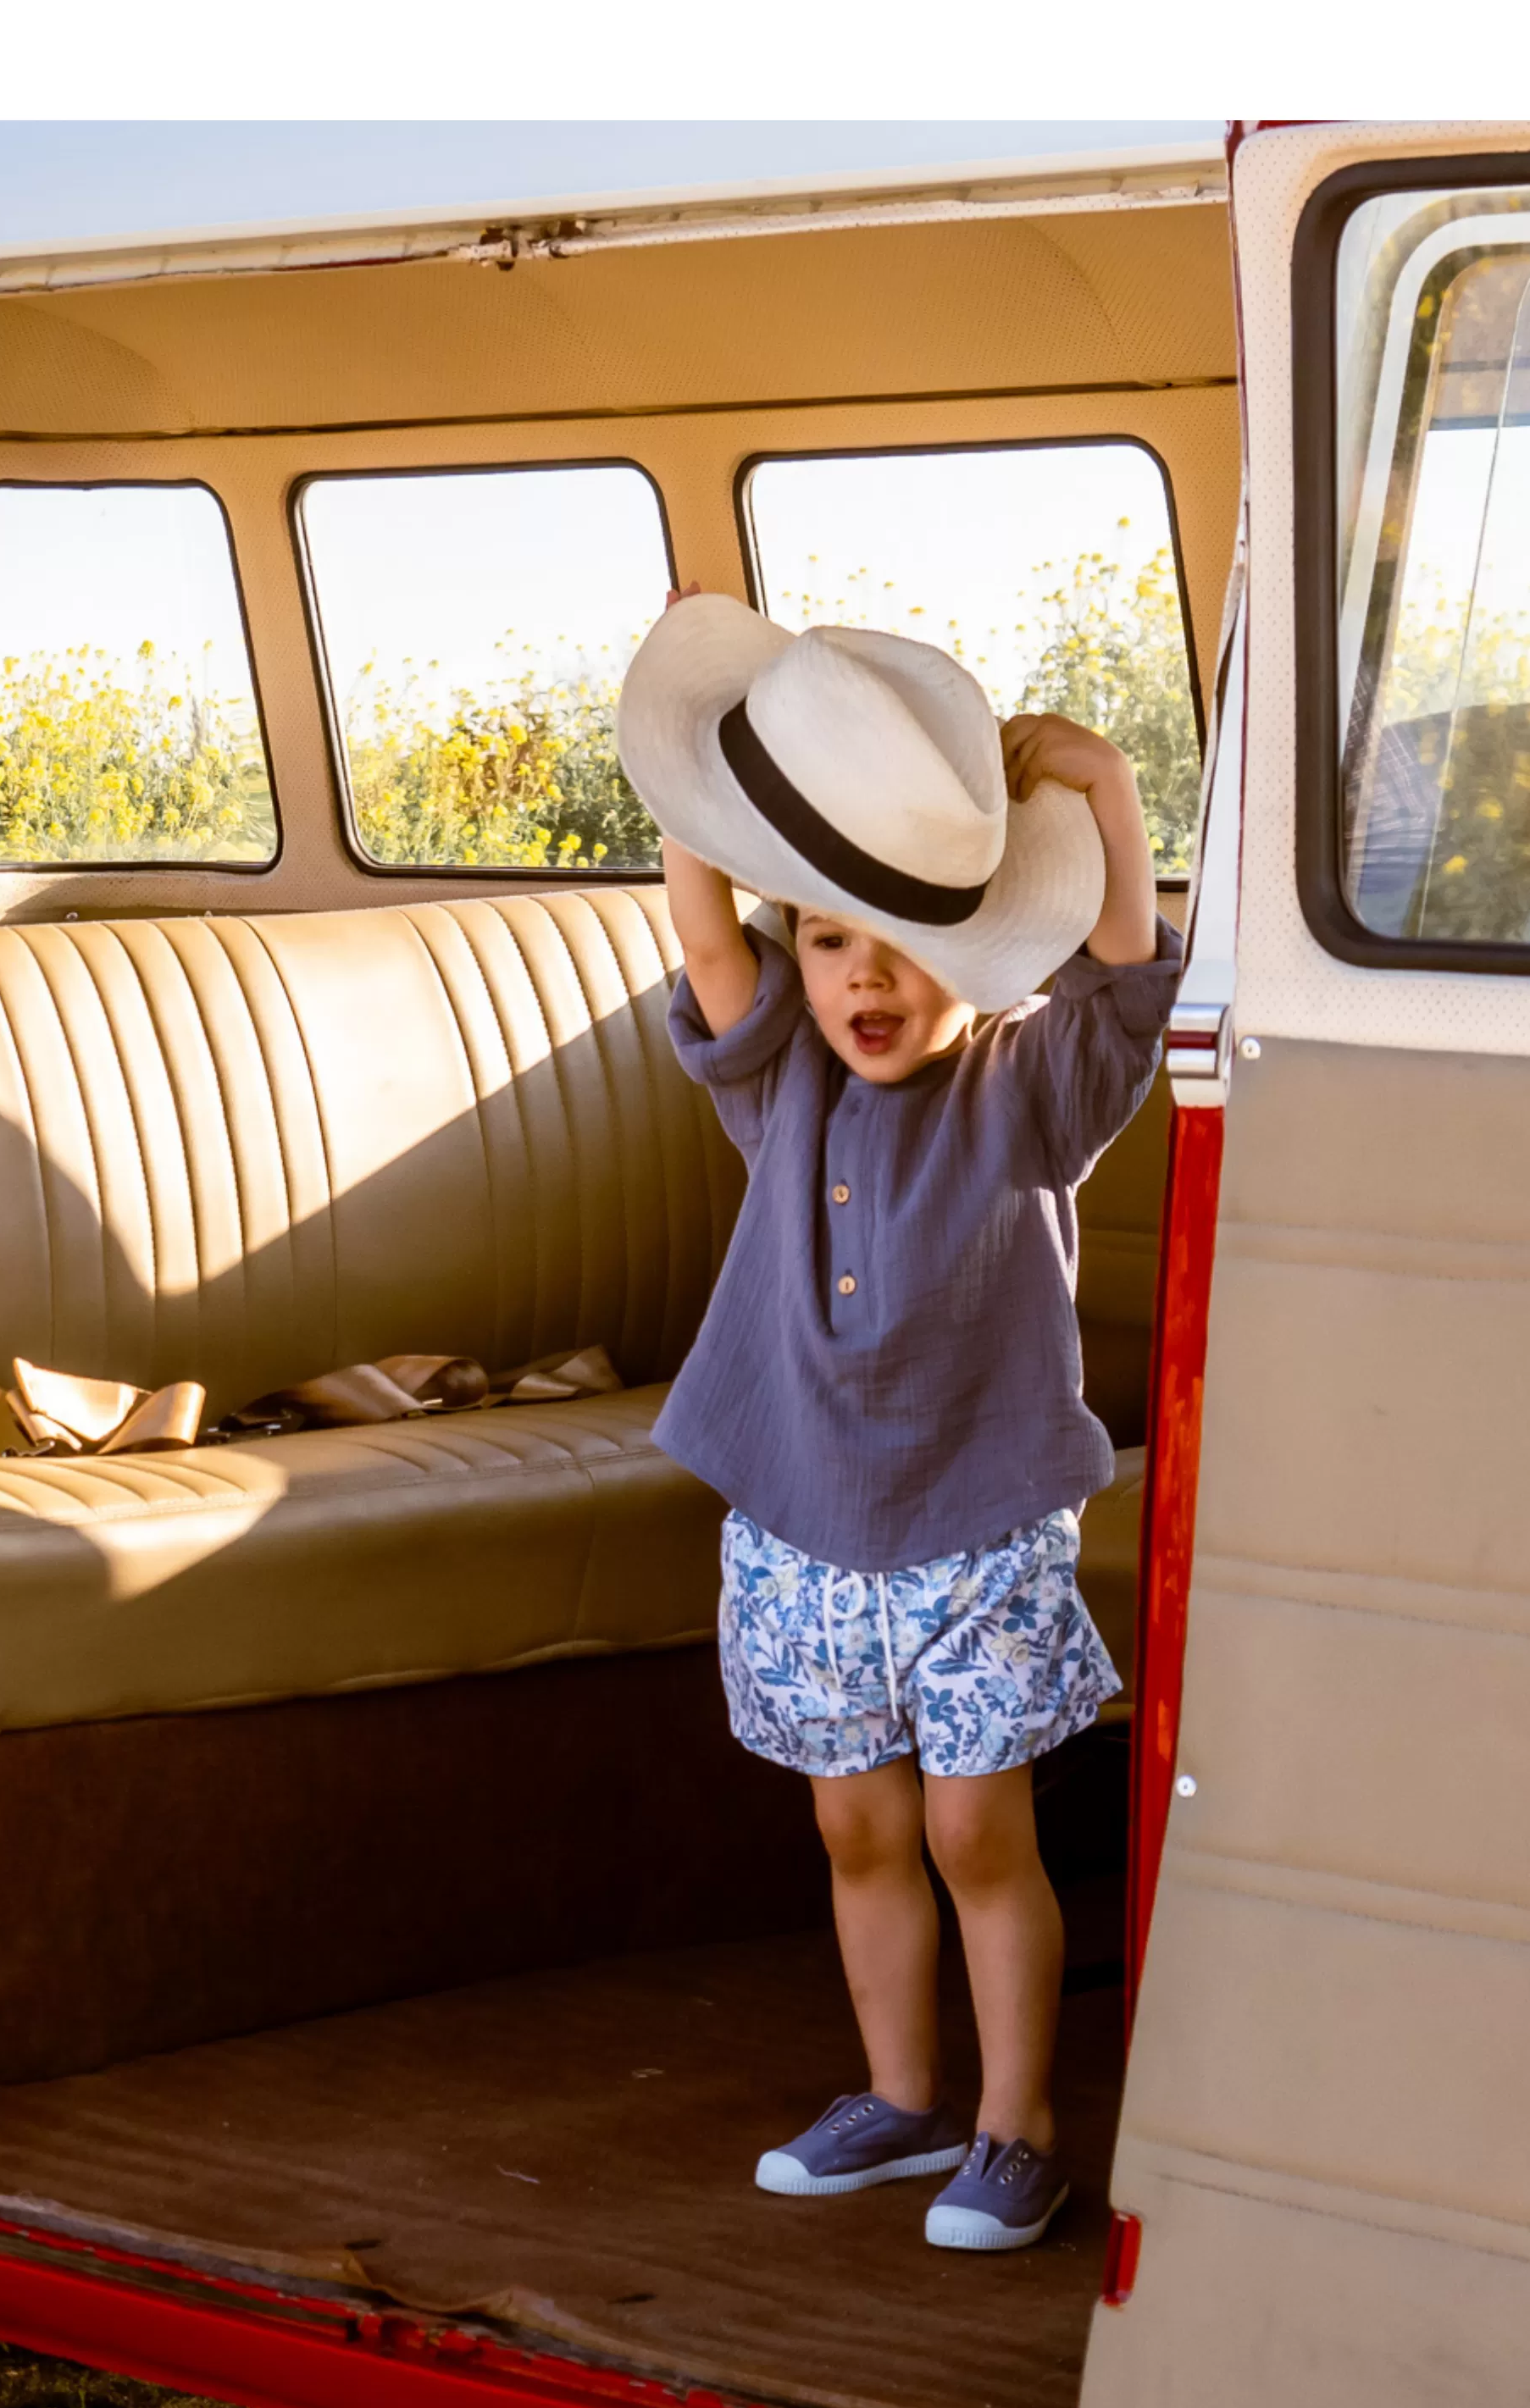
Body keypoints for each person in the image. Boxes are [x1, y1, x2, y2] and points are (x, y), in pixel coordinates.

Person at [613, 589, 1182, 2253]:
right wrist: (702, 793)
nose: (861, 978)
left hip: (976, 1524)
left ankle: (1014, 2126)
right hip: (796, 1526)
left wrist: (1100, 787)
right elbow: (708, 939)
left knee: (966, 1826)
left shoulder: (1025, 1092)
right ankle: (898, 2098)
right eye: (828, 940)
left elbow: (1127, 991)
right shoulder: (778, 1074)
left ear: (975, 956)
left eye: (902, 944)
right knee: (855, 1823)